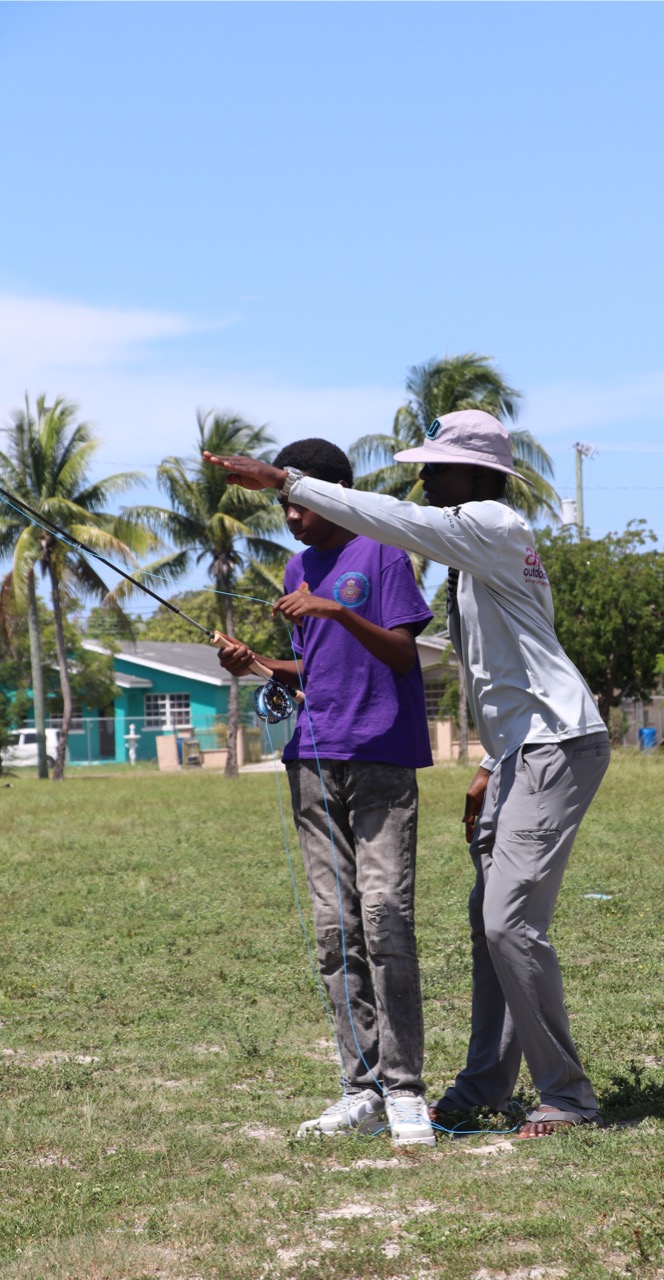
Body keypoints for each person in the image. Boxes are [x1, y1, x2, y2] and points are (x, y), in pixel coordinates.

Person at [205, 410, 610, 1140]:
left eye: (436, 466)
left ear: (476, 473)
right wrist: (489, 760)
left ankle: (568, 1097)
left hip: (555, 744)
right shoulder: (473, 550)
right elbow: (499, 671)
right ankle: (484, 1084)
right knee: (486, 923)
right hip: (519, 751)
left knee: (508, 923)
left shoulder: (488, 523)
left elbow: (392, 526)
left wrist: (285, 479)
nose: (423, 478)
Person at [216, 438, 436, 1147]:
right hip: (313, 758)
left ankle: (405, 1092)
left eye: (298, 503)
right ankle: (359, 1089)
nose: (290, 516)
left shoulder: (383, 553)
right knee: (334, 929)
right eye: (282, 506)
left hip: (381, 757)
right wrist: (256, 664)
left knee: (384, 918)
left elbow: (403, 653)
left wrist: (335, 612)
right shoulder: (296, 566)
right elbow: (311, 671)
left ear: (332, 494)